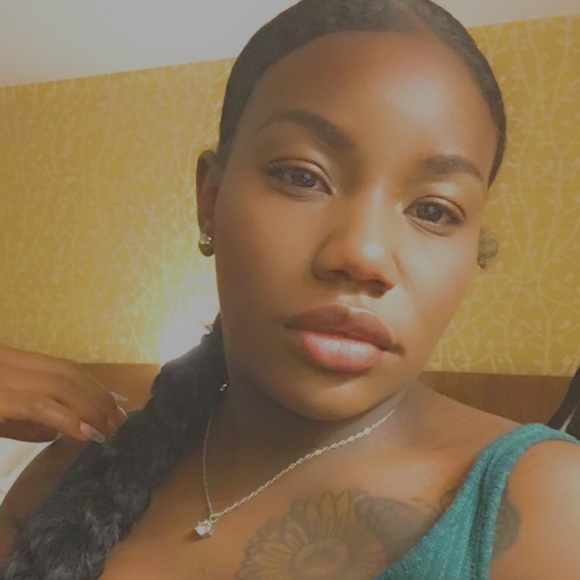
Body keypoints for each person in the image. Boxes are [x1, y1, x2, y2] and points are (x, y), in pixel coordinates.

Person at [1, 0, 579, 578]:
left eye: (434, 210)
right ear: (210, 198)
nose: (362, 255)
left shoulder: (550, 505)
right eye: (303, 176)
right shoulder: (72, 473)